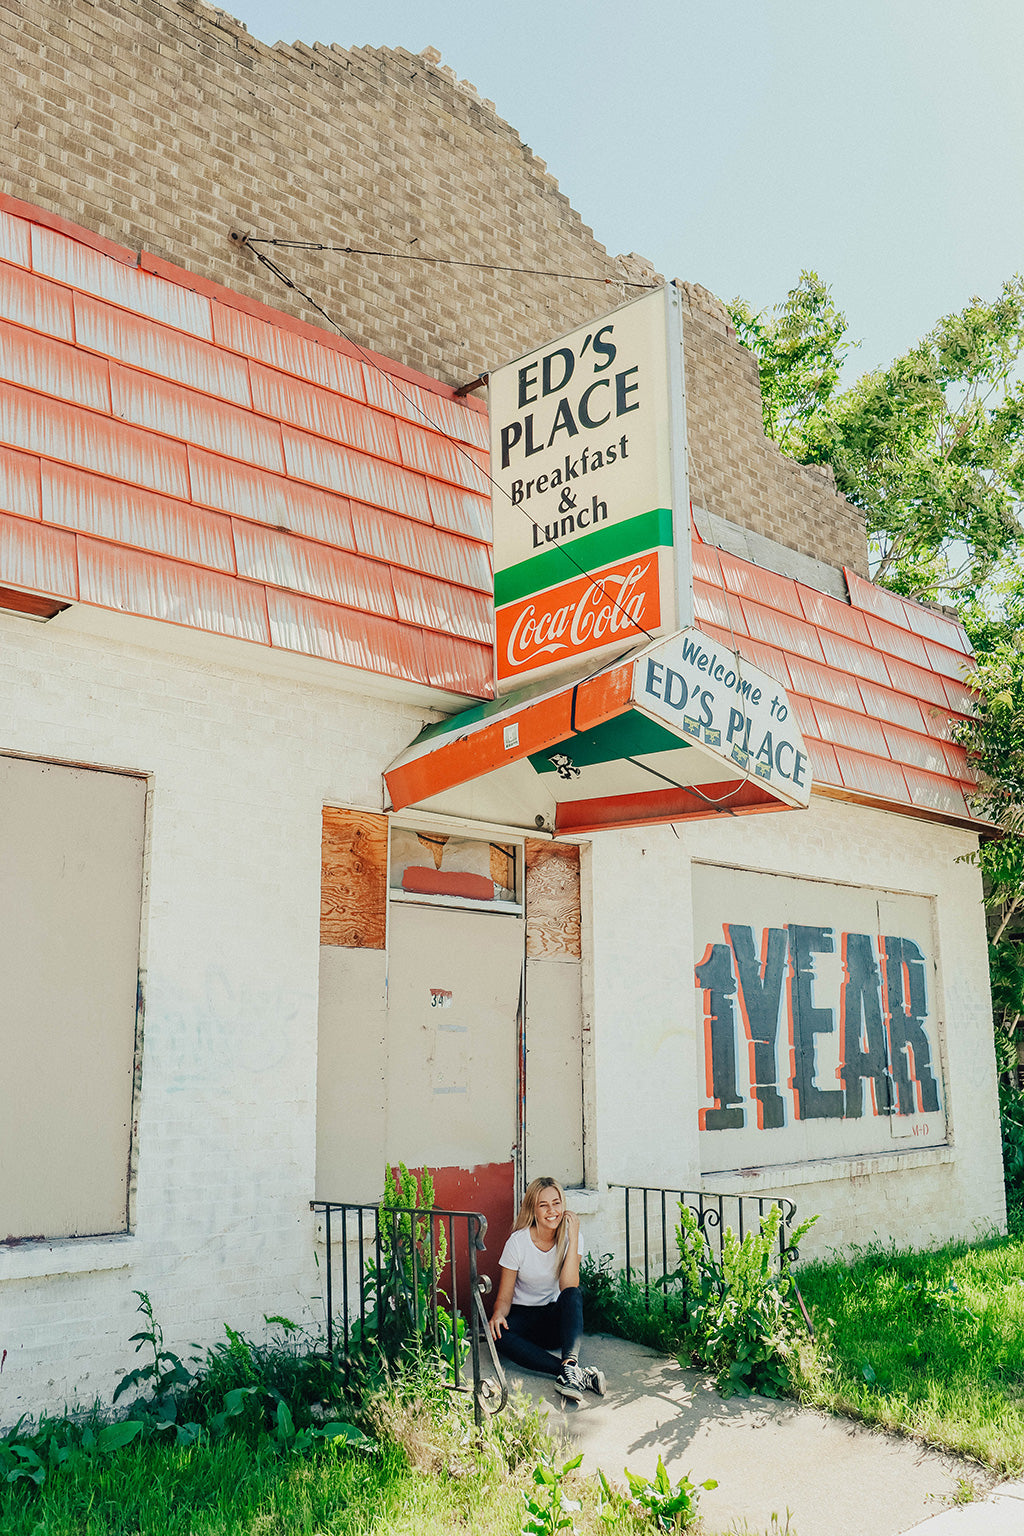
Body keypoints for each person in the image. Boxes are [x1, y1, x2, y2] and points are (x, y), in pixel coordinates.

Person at [489, 1176, 606, 1404]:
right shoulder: (518, 1242)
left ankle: (570, 1363)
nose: (552, 1210)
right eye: (544, 1205)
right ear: (533, 1209)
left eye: (556, 1203)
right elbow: (504, 1296)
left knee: (574, 1294)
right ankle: (573, 1373)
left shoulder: (573, 1238)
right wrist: (498, 1314)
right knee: (498, 1336)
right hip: (525, 1319)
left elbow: (567, 1286)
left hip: (554, 1322)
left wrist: (572, 1239)